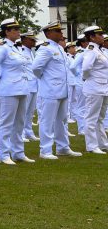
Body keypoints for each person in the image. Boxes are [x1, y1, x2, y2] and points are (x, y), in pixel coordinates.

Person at [0, 18, 36, 165]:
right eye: (15, 29)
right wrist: (0, 80)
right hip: (8, 89)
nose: (18, 31)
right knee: (6, 123)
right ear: (7, 32)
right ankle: (4, 154)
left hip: (22, 88)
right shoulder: (2, 48)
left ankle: (18, 152)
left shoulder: (16, 48)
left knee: (19, 122)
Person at [32, 21, 81, 159]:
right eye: (58, 31)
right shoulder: (45, 48)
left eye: (61, 31)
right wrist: (44, 80)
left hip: (62, 90)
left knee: (62, 120)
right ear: (48, 34)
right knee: (47, 121)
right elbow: (36, 68)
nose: (61, 33)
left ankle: (63, 147)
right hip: (50, 90)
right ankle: (45, 150)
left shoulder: (59, 48)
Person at [79, 25, 108, 154]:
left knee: (100, 118)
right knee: (91, 118)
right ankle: (91, 146)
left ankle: (102, 143)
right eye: (99, 34)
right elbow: (86, 68)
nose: (102, 36)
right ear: (91, 37)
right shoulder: (91, 50)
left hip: (103, 88)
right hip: (94, 88)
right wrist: (86, 79)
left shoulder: (99, 50)